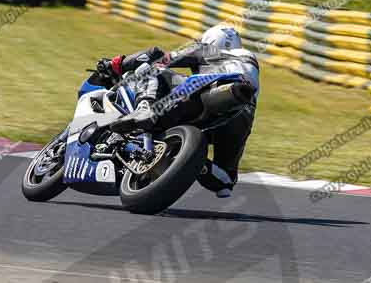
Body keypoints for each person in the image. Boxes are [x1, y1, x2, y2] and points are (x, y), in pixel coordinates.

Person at [95, 24, 259, 198]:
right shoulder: (249, 60)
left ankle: (144, 107)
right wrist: (191, 161)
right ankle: (196, 162)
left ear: (212, 40)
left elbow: (162, 57)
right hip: (242, 113)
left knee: (153, 68)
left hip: (209, 88)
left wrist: (118, 64)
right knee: (226, 181)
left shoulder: (208, 49)